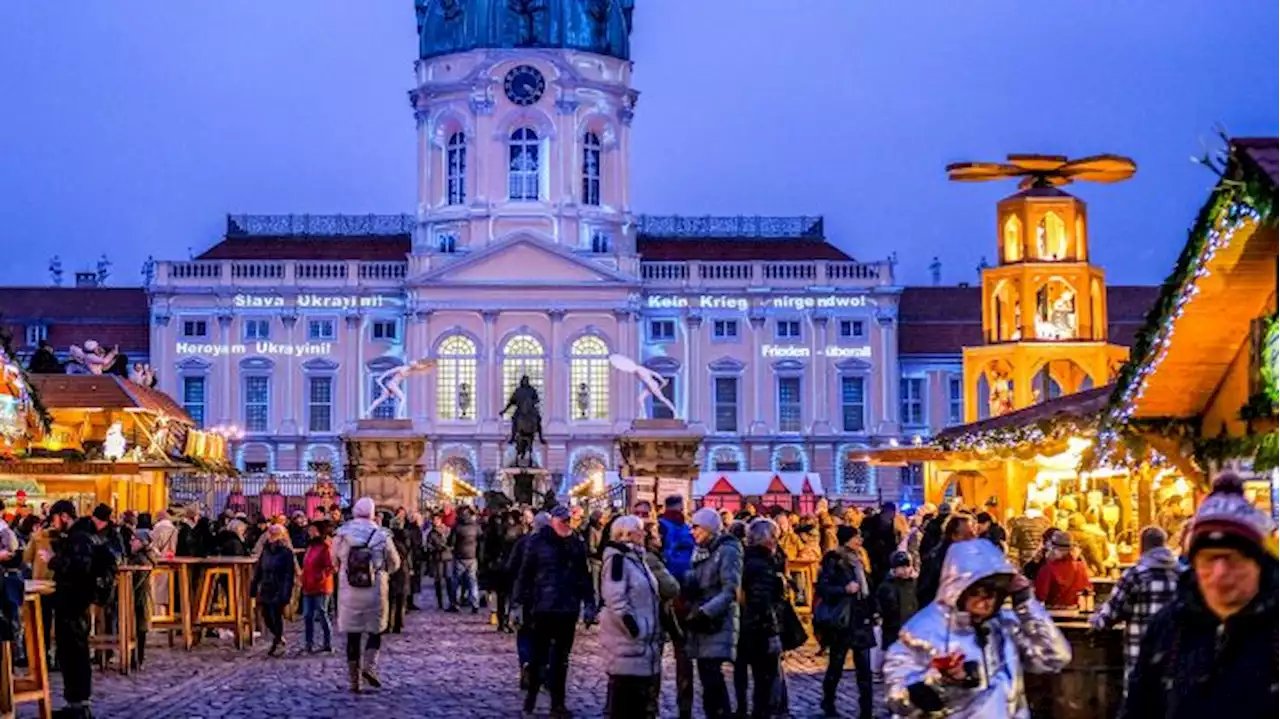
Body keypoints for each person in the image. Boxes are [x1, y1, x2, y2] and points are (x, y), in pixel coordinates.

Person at [1124, 474, 1280, 718]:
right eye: (1208, 559)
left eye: (1231, 558)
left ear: (1258, 562)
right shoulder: (1168, 628)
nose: (1219, 574)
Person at [884, 540, 1072, 717]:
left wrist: (1025, 603)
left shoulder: (1006, 624)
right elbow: (897, 699)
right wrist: (940, 682)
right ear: (958, 590)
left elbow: (1054, 658)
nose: (984, 603)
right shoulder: (921, 631)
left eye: (992, 594)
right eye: (976, 593)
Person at [511, 505, 596, 718]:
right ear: (553, 522)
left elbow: (583, 576)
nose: (567, 524)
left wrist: (589, 603)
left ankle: (558, 704)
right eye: (563, 520)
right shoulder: (537, 543)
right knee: (539, 657)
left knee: (562, 658)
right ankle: (530, 702)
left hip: (568, 607)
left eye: (569, 520)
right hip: (543, 607)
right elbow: (525, 574)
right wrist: (517, 604)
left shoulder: (576, 543)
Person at [1089, 525, 1180, 689]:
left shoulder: (1136, 574)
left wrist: (1095, 621)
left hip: (1140, 654)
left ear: (1142, 547)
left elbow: (1110, 614)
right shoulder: (1181, 574)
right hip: (1175, 654)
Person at [679, 507, 743, 719]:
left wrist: (706, 612)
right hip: (702, 621)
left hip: (716, 621)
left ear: (708, 528)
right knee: (708, 677)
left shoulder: (727, 550)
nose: (692, 531)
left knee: (712, 677)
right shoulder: (702, 549)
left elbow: (730, 590)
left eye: (696, 527)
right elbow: (698, 578)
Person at [333, 497, 401, 693]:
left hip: (350, 589)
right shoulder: (381, 534)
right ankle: (369, 666)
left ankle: (355, 681)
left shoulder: (343, 534)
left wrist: (343, 569)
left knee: (352, 635)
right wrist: (383, 571)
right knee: (375, 629)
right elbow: (395, 562)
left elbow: (333, 559)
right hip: (375, 588)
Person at [600, 515, 663, 719]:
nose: (643, 534)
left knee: (640, 704)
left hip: (644, 646)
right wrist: (634, 628)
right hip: (628, 644)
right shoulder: (618, 560)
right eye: (639, 530)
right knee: (625, 703)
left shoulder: (638, 558)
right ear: (626, 533)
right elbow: (616, 598)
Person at [815, 525, 877, 718]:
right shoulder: (834, 559)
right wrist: (844, 589)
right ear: (846, 540)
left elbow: (869, 589)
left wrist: (874, 610)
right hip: (843, 620)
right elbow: (824, 589)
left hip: (861, 618)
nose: (860, 540)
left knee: (864, 669)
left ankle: (866, 710)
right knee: (836, 664)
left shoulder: (860, 560)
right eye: (856, 537)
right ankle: (828, 702)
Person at [45, 500, 100, 719]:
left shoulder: (79, 537)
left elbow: (78, 568)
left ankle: (78, 704)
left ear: (64, 516)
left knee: (74, 652)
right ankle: (76, 703)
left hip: (74, 603)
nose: (54, 524)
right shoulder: (78, 536)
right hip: (73, 602)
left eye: (55, 519)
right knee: (71, 652)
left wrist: (53, 560)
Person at [735, 518, 784, 719]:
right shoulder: (762, 564)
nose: (776, 541)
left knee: (753, 675)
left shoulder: (746, 559)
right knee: (764, 680)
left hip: (745, 626)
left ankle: (746, 709)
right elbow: (762, 600)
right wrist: (771, 631)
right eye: (774, 537)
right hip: (758, 630)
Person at [657, 494, 698, 719]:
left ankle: (650, 703)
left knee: (654, 652)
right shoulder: (688, 529)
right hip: (685, 596)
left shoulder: (660, 528)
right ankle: (685, 707)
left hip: (663, 596)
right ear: (682, 507)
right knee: (684, 655)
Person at [251, 524, 296, 657]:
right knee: (266, 615)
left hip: (279, 586)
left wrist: (286, 593)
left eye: (275, 534)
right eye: (271, 534)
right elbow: (259, 569)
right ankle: (278, 637)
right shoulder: (266, 551)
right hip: (266, 586)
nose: (272, 536)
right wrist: (254, 586)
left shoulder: (286, 552)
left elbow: (289, 574)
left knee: (275, 614)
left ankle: (278, 640)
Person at [917, 513, 974, 606]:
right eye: (967, 535)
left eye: (973, 534)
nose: (973, 539)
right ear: (954, 536)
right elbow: (925, 592)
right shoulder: (937, 559)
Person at [300, 521, 336, 654]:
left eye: (313, 530)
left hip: (321, 586)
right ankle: (308, 644)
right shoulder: (310, 547)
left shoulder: (325, 547)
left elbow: (330, 567)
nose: (310, 532)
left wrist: (320, 576)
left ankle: (328, 643)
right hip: (308, 585)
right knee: (307, 615)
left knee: (322, 613)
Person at [1033, 531, 1091, 609]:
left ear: (1054, 549)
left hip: (1053, 613)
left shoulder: (1048, 568)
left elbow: (1040, 595)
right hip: (1075, 612)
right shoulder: (1080, 567)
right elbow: (1087, 589)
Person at [875, 550, 919, 654]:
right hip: (893, 631)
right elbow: (880, 606)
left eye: (907, 566)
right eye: (901, 567)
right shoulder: (886, 586)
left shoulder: (916, 584)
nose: (905, 570)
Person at [450, 505, 482, 613]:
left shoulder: (457, 526)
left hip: (460, 555)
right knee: (473, 581)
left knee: (457, 581)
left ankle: (456, 604)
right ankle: (475, 603)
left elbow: (451, 542)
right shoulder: (475, 526)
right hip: (472, 556)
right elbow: (481, 539)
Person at [862, 501, 901, 587]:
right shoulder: (869, 522)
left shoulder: (892, 524)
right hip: (873, 557)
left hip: (886, 558)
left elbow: (892, 542)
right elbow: (865, 539)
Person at [425, 513, 455, 610]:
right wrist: (435, 548)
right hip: (437, 559)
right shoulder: (431, 533)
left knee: (449, 580)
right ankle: (440, 603)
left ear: (440, 520)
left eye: (437, 520)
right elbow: (428, 546)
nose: (435, 522)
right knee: (438, 581)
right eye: (434, 520)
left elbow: (453, 542)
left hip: (447, 557)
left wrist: (449, 548)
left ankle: (452, 601)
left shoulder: (447, 531)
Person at [1008, 501, 1051, 567]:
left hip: (1024, 557)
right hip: (1040, 557)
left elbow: (1013, 543)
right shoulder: (1046, 522)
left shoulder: (1019, 521)